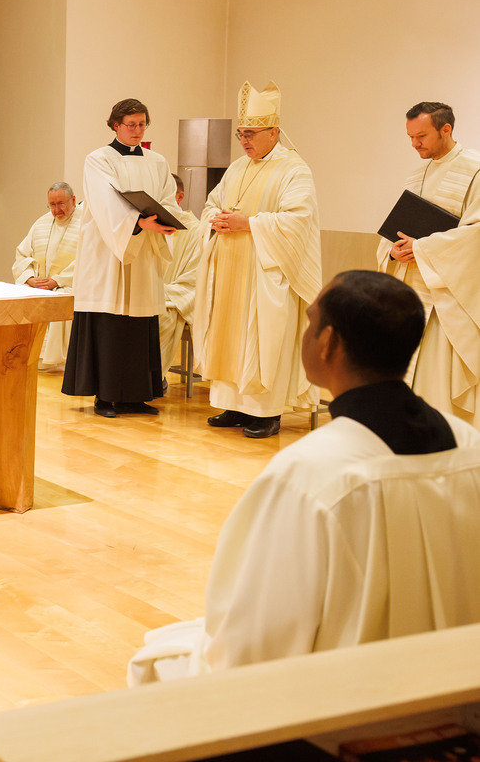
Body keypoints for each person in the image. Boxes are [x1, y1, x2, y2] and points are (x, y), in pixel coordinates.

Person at [127, 270, 480, 685]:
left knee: (151, 662)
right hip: (454, 680)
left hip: (345, 694)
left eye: (310, 321)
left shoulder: (310, 475)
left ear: (327, 343)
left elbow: (252, 646)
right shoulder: (469, 446)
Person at [194, 82, 322, 438]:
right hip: (229, 269)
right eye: (241, 133)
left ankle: (266, 413)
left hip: (266, 273)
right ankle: (234, 405)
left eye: (250, 134)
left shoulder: (294, 169)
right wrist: (215, 220)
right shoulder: (237, 168)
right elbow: (210, 204)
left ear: (273, 132)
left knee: (263, 338)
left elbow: (298, 220)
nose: (244, 141)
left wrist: (247, 224)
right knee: (229, 339)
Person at [63, 99, 177, 418]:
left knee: (139, 324)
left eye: (142, 124)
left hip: (144, 253)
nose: (137, 130)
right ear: (116, 125)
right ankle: (105, 396)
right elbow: (104, 201)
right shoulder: (98, 159)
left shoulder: (157, 162)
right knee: (109, 323)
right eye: (131, 124)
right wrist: (137, 223)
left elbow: (168, 198)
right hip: (107, 253)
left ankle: (135, 397)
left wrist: (165, 220)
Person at [377, 101, 480, 422]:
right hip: (410, 291)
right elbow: (397, 226)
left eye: (421, 136)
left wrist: (422, 248)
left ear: (445, 129)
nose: (414, 144)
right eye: (410, 137)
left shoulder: (475, 170)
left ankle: (446, 437)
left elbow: (476, 233)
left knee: (437, 375)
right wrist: (392, 251)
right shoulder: (418, 173)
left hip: (448, 295)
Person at [12, 181, 81, 372]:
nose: (56, 210)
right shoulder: (41, 223)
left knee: (62, 297)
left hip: (70, 284)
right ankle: (24, 354)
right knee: (22, 293)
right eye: (52, 204)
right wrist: (30, 278)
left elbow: (89, 260)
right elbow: (22, 254)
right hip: (40, 284)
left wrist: (57, 281)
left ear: (73, 200)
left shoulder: (86, 224)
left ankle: (56, 360)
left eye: (61, 204)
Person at [158, 174, 203, 390]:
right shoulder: (152, 226)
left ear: (180, 197)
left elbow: (195, 277)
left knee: (160, 317)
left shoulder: (197, 231)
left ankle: (154, 377)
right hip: (154, 292)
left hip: (180, 295)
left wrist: (162, 291)